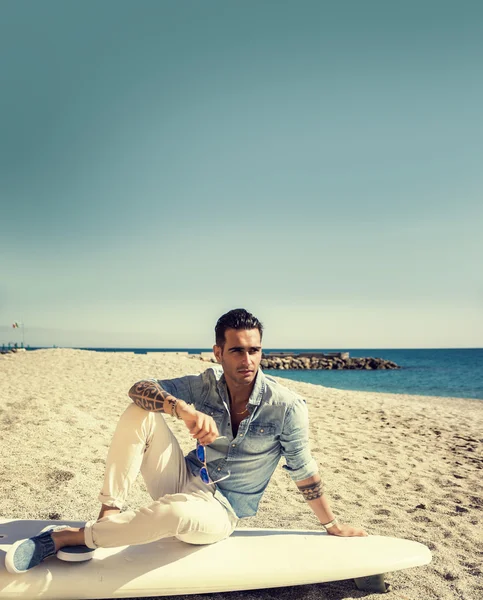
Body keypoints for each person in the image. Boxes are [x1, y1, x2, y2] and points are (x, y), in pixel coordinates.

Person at [5, 308, 366, 574]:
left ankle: (68, 538)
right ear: (218, 352)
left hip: (221, 510)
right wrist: (183, 411)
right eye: (238, 350)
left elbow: (304, 472)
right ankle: (109, 515)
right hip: (182, 477)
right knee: (140, 411)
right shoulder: (204, 384)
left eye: (254, 350)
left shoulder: (286, 407)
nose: (248, 360)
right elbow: (138, 389)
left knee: (176, 513)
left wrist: (331, 526)